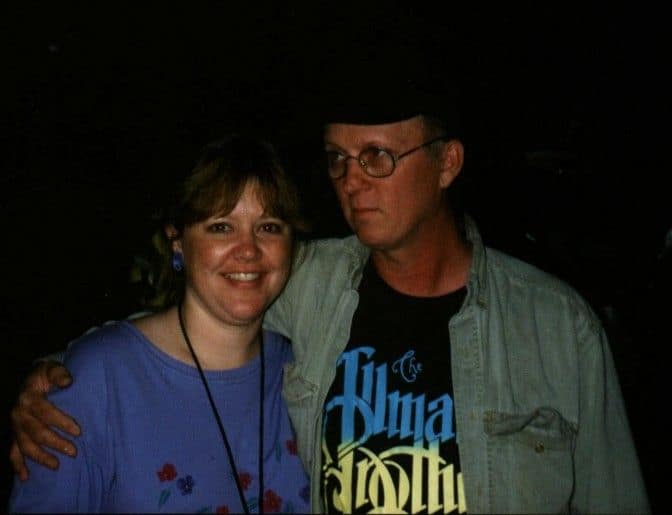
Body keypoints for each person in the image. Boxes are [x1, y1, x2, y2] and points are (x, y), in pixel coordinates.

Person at [10, 82, 649, 514]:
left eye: (376, 157)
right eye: (338, 159)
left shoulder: (557, 327)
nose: (351, 181)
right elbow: (195, 310)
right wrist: (61, 375)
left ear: (447, 163)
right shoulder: (312, 284)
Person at [8, 135, 311, 513]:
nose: (248, 250)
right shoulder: (98, 377)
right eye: (221, 227)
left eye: (269, 227)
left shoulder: (308, 370)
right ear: (177, 241)